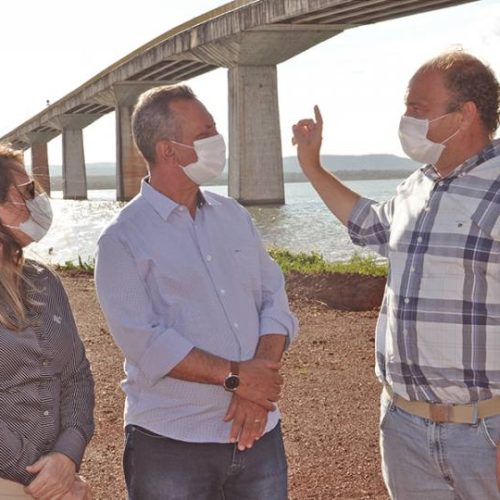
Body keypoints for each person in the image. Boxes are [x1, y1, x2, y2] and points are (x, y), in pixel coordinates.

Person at [292, 50, 500, 499]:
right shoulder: (418, 184)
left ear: (465, 115)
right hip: (404, 428)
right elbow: (369, 224)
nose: (406, 119)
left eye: (417, 109)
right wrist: (311, 165)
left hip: (485, 434)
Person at [94, 84, 298, 500]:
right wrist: (239, 378)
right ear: (168, 151)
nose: (218, 141)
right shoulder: (121, 240)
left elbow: (274, 299)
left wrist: (257, 382)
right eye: (206, 132)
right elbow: (145, 342)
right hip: (171, 445)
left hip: (258, 434)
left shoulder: (234, 215)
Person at [0, 145, 95, 499]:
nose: (38, 201)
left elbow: (77, 374)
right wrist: (44, 475)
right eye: (25, 193)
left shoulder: (44, 279)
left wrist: (66, 456)